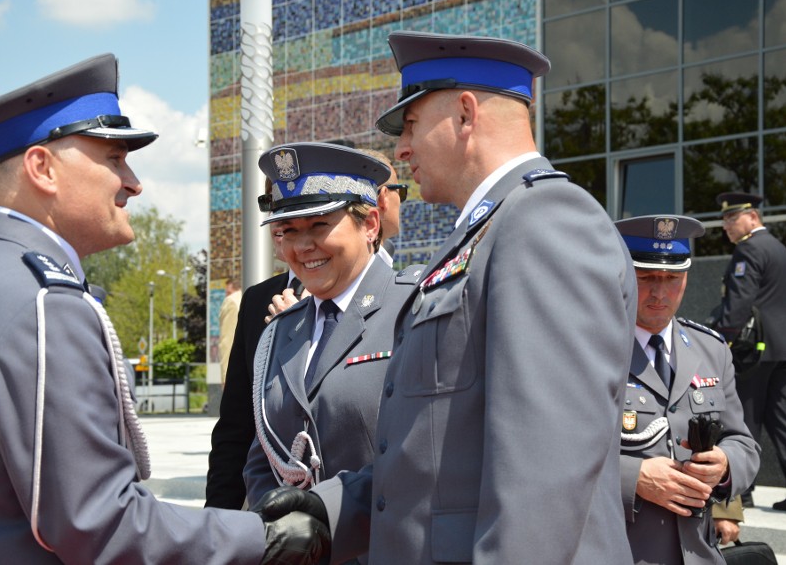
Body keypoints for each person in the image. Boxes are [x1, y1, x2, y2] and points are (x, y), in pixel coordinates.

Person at [254, 31, 638, 564]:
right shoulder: (484, 235)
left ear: (464, 114)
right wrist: (329, 509)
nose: (402, 150)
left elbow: (544, 476)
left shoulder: (544, 223)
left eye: (410, 124)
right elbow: (437, 451)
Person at [0, 53, 327, 564]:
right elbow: (96, 521)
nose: (133, 182)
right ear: (41, 167)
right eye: (114, 159)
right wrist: (264, 537)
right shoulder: (43, 306)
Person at [244, 142, 421, 511]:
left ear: (370, 224)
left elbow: (424, 450)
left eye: (320, 224)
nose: (304, 245)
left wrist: (324, 521)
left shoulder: (415, 308)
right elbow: (263, 454)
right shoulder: (280, 330)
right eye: (288, 230)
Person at [615, 214, 759, 564]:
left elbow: (743, 443)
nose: (660, 292)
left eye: (672, 278)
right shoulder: (590, 349)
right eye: (647, 277)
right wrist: (633, 478)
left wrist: (724, 466)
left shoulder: (710, 349)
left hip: (699, 552)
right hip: (623, 550)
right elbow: (556, 454)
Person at [206, 211, 301, 509]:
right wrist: (219, 517)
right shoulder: (257, 299)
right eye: (274, 205)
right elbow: (237, 424)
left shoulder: (388, 295)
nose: (280, 219)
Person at [712, 192, 786, 511]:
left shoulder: (749, 249)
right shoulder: (779, 248)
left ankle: (741, 491)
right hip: (781, 349)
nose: (726, 225)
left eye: (732, 218)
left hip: (753, 350)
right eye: (724, 219)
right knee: (781, 419)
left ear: (753, 217)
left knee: (743, 418)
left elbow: (739, 302)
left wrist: (721, 338)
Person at [219, 277, 242, 381]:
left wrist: (225, 377)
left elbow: (228, 340)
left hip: (236, 371)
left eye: (227, 292)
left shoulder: (232, 301)